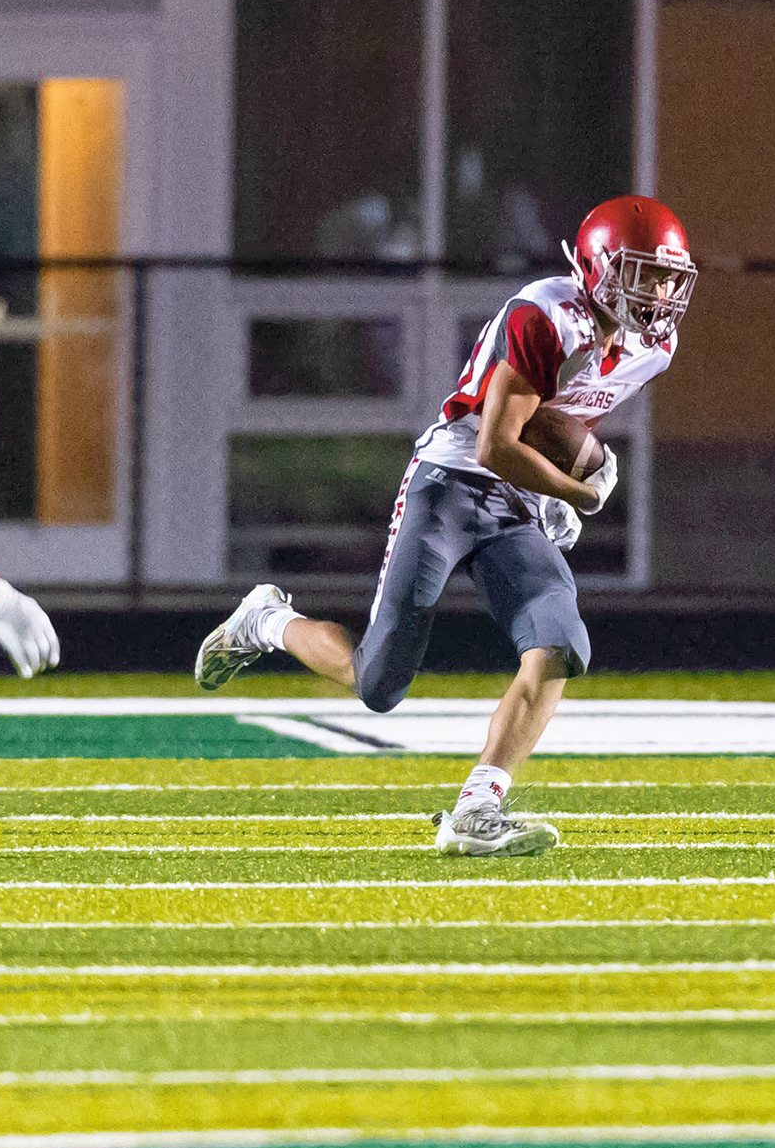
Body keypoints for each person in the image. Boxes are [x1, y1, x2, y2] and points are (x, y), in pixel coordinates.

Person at [192, 196, 692, 857]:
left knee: (560, 642)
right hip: (449, 483)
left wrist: (551, 490)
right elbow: (495, 444)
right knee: (378, 682)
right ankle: (266, 620)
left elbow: (562, 416)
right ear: (598, 266)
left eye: (668, 278)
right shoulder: (547, 314)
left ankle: (477, 808)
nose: (659, 294)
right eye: (643, 274)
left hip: (513, 504)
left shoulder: (654, 346)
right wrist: (577, 491)